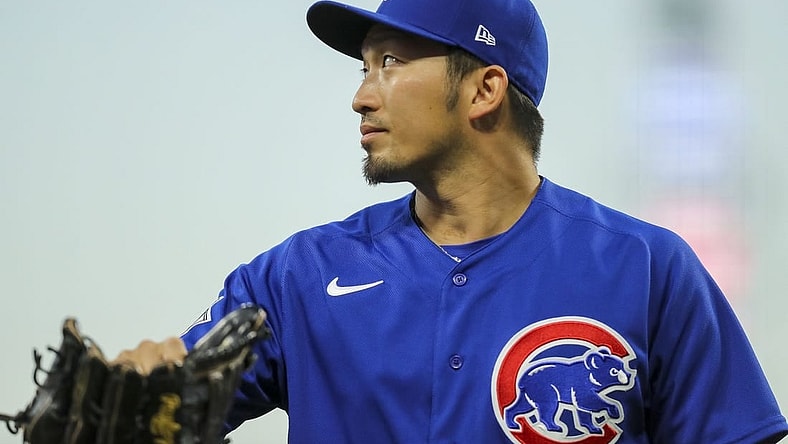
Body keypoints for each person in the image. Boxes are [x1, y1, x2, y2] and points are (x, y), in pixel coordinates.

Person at [117, 0, 788, 442]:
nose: (360, 95)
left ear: (484, 90)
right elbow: (173, 396)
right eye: (362, 67)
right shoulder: (298, 276)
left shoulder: (647, 269)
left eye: (390, 62)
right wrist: (140, 397)